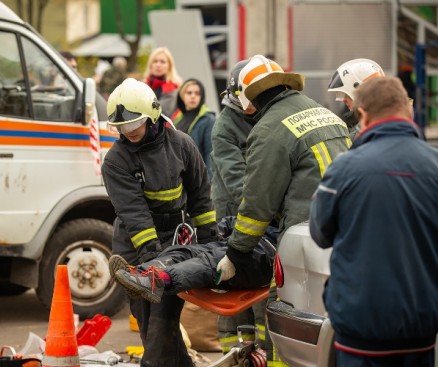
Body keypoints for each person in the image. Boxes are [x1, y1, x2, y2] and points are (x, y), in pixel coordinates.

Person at [215, 54, 351, 365]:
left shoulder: (269, 129)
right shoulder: (324, 113)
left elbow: (256, 205)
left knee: (285, 312)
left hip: (304, 239)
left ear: (250, 96)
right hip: (347, 231)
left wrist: (235, 253)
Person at [309, 76, 438, 367]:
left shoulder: (345, 169)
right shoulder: (435, 165)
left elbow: (319, 233)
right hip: (422, 332)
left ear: (363, 114)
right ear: (410, 112)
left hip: (361, 333)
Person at [101, 77, 218, 367]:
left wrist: (210, 245)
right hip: (136, 245)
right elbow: (134, 215)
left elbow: (201, 197)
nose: (127, 132)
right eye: (121, 128)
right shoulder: (116, 161)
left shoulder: (182, 145)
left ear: (152, 115)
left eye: (132, 125)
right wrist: (153, 264)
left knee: (162, 320)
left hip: (177, 240)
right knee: (149, 319)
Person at [210, 60, 266, 352]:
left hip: (260, 208)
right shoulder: (224, 127)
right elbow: (236, 181)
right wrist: (265, 208)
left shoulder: (266, 113)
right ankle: (234, 349)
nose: (248, 108)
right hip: (234, 211)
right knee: (237, 277)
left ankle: (260, 346)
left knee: (261, 283)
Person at [109, 219, 275, 303]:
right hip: (239, 241)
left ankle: (155, 282)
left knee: (211, 261)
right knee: (185, 252)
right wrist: (220, 230)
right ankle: (139, 272)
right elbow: (239, 219)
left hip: (266, 253)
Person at [327, 58, 385, 139]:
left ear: (361, 91)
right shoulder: (392, 115)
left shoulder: (365, 133)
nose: (343, 100)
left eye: (346, 94)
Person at [171, 78, 216, 178]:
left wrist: (208, 182)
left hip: (197, 176)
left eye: (197, 93)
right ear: (182, 96)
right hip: (178, 175)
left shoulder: (208, 119)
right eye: (189, 93)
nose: (193, 96)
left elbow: (210, 152)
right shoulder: (178, 117)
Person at [144, 47, 182, 117]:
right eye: (155, 61)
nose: (158, 65)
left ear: (169, 66)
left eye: (162, 62)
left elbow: (160, 112)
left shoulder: (172, 87)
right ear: (150, 65)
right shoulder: (143, 85)